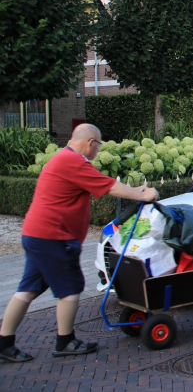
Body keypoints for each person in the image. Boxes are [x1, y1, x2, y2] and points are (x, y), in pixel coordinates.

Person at [0, 124, 159, 363]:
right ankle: (66, 341)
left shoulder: (62, 159)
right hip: (54, 237)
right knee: (71, 288)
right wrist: (143, 195)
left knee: (27, 289)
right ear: (91, 143)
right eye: (99, 145)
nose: (98, 149)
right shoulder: (74, 162)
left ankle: (4, 344)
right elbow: (110, 186)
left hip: (36, 234)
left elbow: (106, 185)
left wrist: (137, 190)